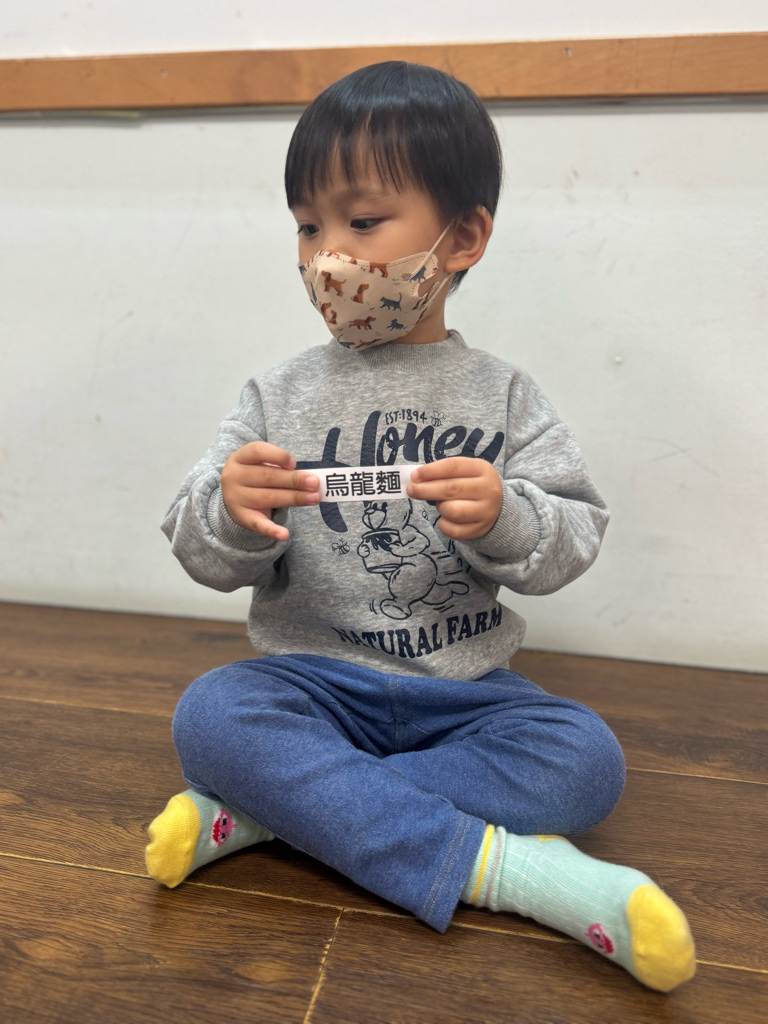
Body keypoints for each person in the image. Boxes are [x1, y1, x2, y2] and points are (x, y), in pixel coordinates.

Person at [145, 61, 695, 992]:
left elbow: (574, 535)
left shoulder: (506, 395)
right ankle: (515, 875)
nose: (328, 256)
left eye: (363, 222)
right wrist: (228, 507)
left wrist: (507, 516)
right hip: (313, 686)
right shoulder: (274, 395)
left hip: (466, 694)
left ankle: (272, 814)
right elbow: (199, 549)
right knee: (212, 712)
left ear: (464, 237)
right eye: (307, 227)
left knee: (585, 760)